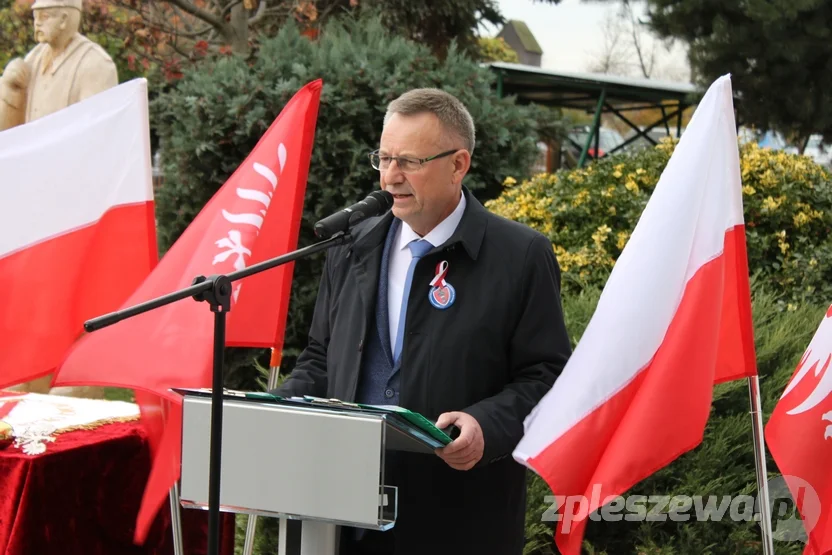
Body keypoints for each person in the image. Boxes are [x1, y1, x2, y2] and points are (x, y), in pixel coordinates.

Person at [272, 88, 572, 555]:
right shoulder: (352, 246)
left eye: (409, 161)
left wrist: (485, 424)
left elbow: (547, 374)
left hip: (458, 521)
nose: (391, 176)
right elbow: (320, 357)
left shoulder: (521, 256)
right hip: (341, 518)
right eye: (385, 158)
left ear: (459, 164)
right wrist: (273, 411)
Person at [0, 0, 118, 132]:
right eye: (35, 17)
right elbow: (8, 137)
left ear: (64, 20)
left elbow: (97, 133)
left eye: (44, 16)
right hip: (35, 152)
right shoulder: (33, 60)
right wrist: (10, 91)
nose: (37, 23)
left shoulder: (95, 64)